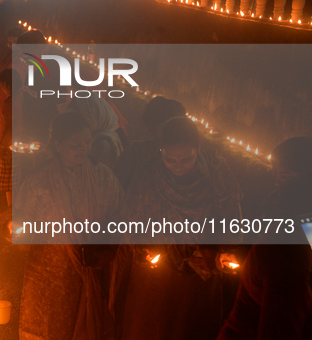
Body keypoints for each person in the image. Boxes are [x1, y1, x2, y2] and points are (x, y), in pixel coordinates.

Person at [110, 117, 243, 340]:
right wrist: (142, 247)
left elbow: (231, 219)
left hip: (201, 271)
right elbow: (131, 221)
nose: (178, 165)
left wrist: (218, 252)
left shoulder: (217, 176)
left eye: (186, 159)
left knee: (191, 328)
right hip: (157, 276)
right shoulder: (148, 176)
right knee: (151, 328)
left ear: (198, 149)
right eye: (170, 159)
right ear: (160, 150)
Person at [16, 111, 125, 340]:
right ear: (57, 145)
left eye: (87, 142)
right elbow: (24, 218)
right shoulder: (40, 179)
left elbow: (119, 213)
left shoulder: (102, 175)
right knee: (51, 320)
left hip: (93, 260)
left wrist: (105, 243)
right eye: (76, 144)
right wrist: (17, 227)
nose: (84, 148)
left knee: (88, 318)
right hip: (52, 266)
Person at [217, 137, 312, 340]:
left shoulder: (297, 232)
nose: (277, 182)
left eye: (284, 176)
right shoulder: (285, 241)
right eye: (277, 175)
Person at [113, 96, 186, 190]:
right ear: (152, 127)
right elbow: (116, 190)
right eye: (166, 129)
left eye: (178, 128)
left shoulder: (191, 158)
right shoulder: (134, 155)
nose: (172, 134)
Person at [0, 69, 19, 224]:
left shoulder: (10, 103)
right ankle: (12, 211)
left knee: (9, 181)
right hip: (26, 144)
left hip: (11, 146)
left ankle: (12, 211)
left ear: (6, 85)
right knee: (17, 180)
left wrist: (1, 147)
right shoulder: (25, 98)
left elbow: (10, 127)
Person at [67, 96, 123, 168]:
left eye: (80, 117)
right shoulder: (100, 136)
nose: (75, 123)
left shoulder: (102, 145)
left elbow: (90, 176)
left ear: (92, 115)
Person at [0, 27, 26, 143]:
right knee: (3, 122)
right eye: (9, 42)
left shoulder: (23, 58)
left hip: (12, 94)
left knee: (11, 125)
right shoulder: (7, 54)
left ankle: (6, 149)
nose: (11, 45)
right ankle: (3, 147)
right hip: (4, 92)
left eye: (15, 42)